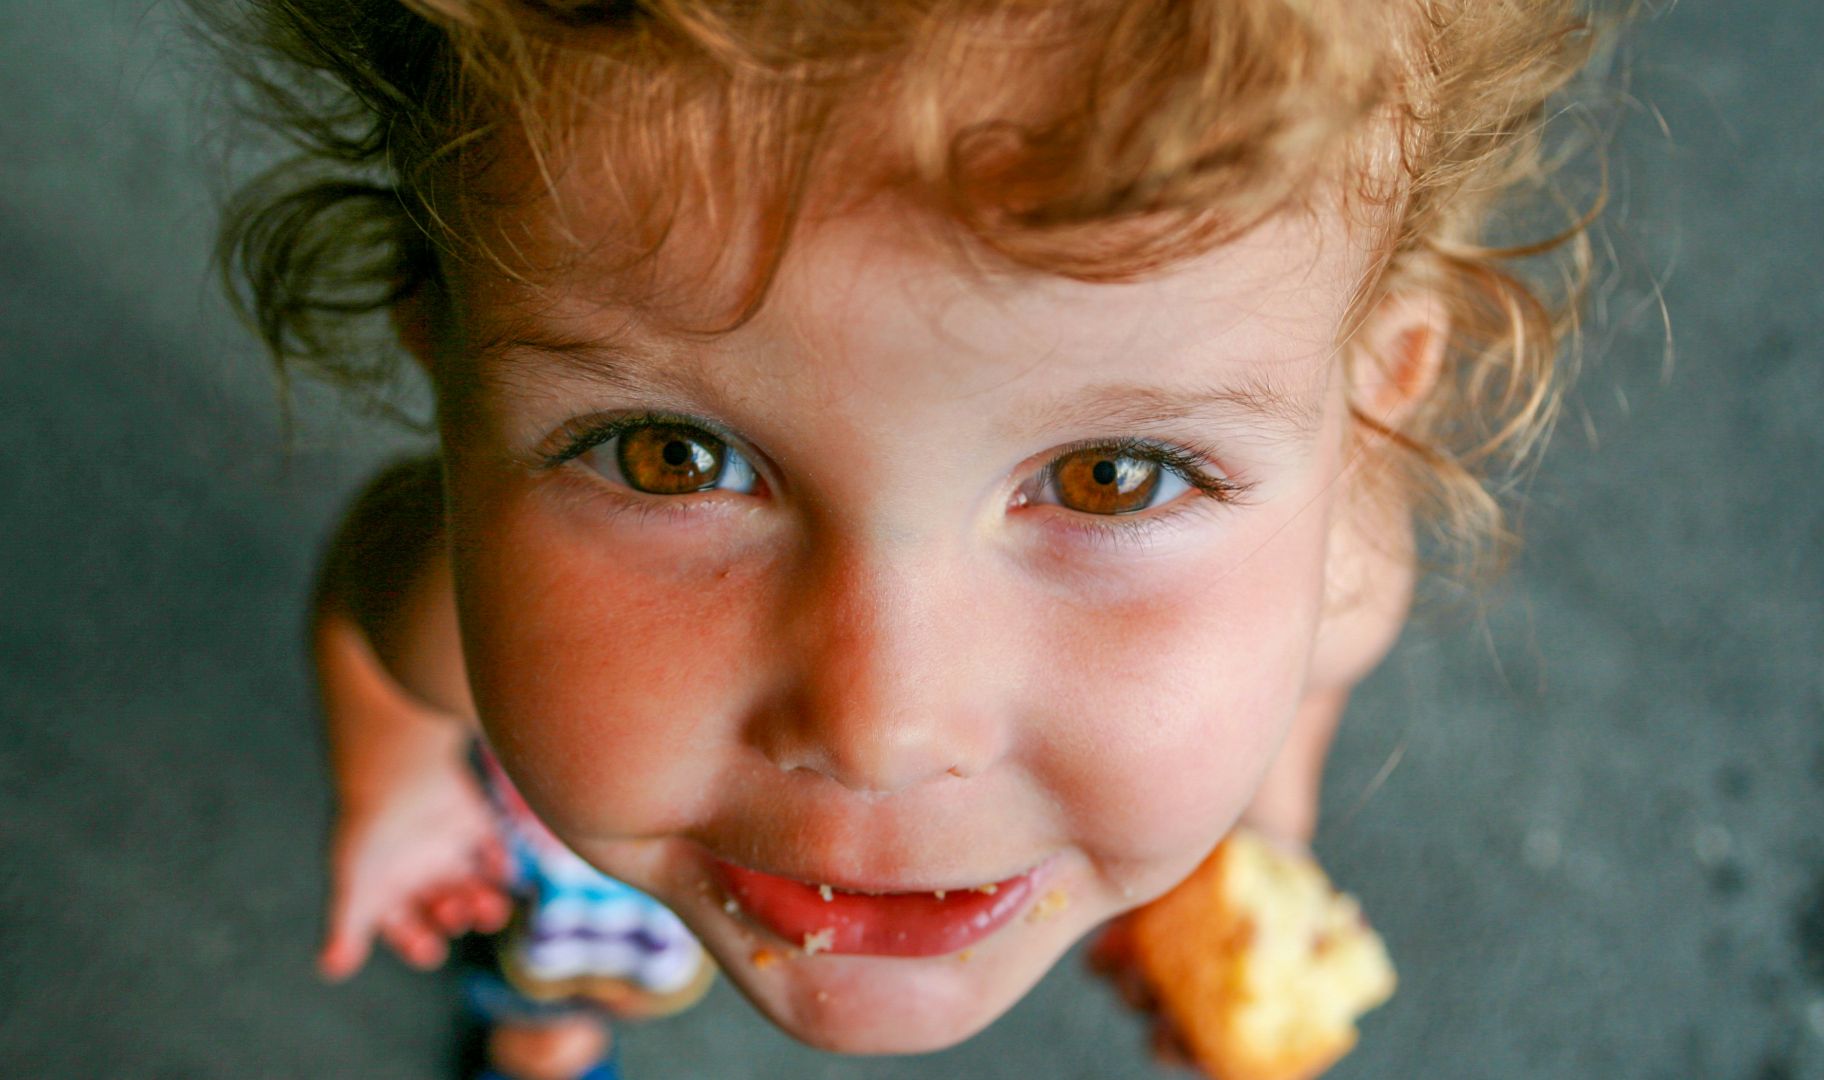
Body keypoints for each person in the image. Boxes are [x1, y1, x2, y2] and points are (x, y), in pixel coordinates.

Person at [202, 1, 1609, 1076]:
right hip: (574, 862)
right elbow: (376, 644)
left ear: (1371, 399)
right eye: (671, 456)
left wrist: (1256, 847)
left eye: (1114, 477)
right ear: (443, 349)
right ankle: (554, 1029)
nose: (881, 732)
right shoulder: (456, 613)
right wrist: (400, 793)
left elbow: (1297, 701)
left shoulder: (1344, 586)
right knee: (575, 956)